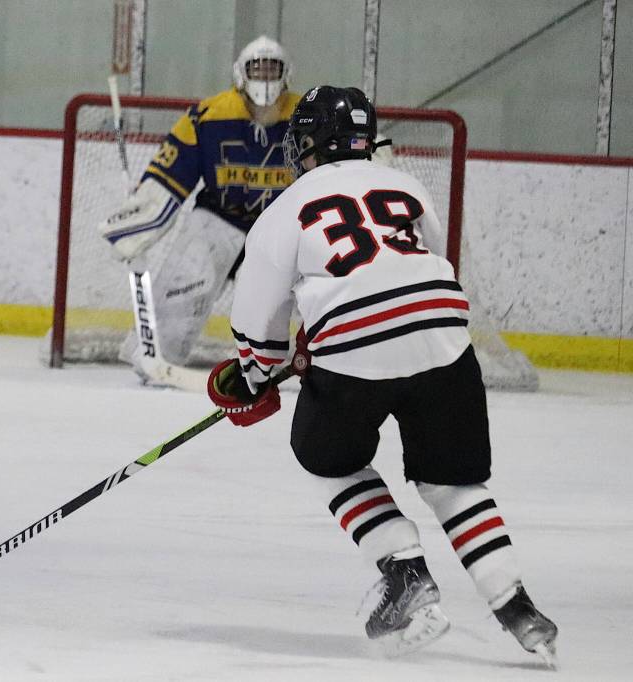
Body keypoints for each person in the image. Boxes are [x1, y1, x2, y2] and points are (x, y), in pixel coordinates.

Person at [206, 86, 558, 664]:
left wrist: (255, 375)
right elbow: (425, 270)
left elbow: (257, 319)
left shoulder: (285, 208)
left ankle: (404, 570)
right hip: (445, 340)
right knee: (454, 482)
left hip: (354, 354)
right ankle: (518, 607)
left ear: (310, 143)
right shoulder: (407, 185)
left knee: (327, 457)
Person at [98, 35, 301, 378]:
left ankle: (323, 365)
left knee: (315, 295)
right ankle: (157, 358)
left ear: (286, 74)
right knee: (183, 287)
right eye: (258, 69)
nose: (265, 78)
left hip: (282, 228)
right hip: (220, 220)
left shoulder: (305, 114)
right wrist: (140, 223)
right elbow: (168, 177)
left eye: (272, 69)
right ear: (241, 74)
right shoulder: (207, 116)